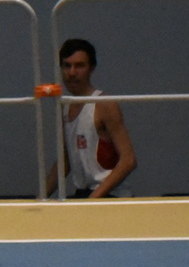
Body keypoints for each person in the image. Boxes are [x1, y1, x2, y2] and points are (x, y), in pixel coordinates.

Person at [44, 38, 138, 199]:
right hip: (83, 195)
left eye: (79, 66)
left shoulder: (103, 104)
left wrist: (92, 200)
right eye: (67, 65)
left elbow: (129, 160)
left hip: (110, 195)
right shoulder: (65, 107)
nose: (72, 73)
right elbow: (65, 162)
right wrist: (39, 198)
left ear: (91, 68)